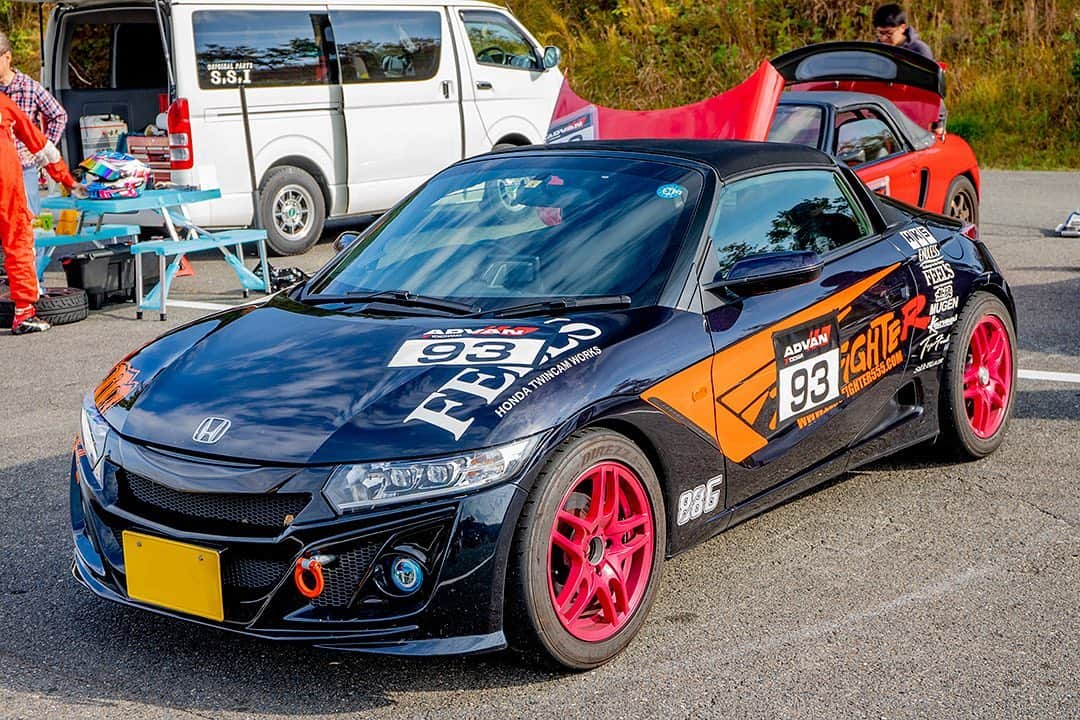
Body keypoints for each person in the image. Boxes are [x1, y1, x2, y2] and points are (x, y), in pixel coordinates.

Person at [0, 90, 84, 334]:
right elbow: (39, 145)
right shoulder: (4, 103)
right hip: (6, 185)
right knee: (18, 244)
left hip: (8, 184)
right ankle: (24, 313)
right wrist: (67, 180)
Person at [0, 31, 68, 218]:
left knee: (29, 220)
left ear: (7, 57)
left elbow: (59, 115)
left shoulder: (29, 87)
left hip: (23, 168)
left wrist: (41, 149)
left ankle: (37, 248)